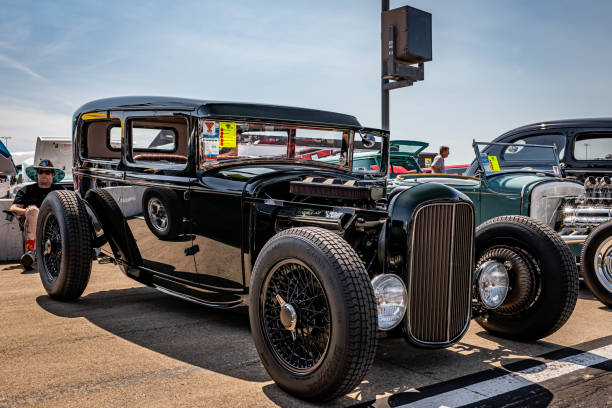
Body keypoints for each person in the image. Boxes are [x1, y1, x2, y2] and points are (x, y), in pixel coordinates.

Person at [9, 159, 65, 269]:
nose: (43, 174)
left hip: (54, 222)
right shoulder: (27, 190)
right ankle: (30, 253)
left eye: (47, 172)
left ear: (52, 175)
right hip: (32, 222)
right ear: (37, 174)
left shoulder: (59, 190)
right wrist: (27, 211)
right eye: (41, 172)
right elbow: (13, 208)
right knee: (33, 211)